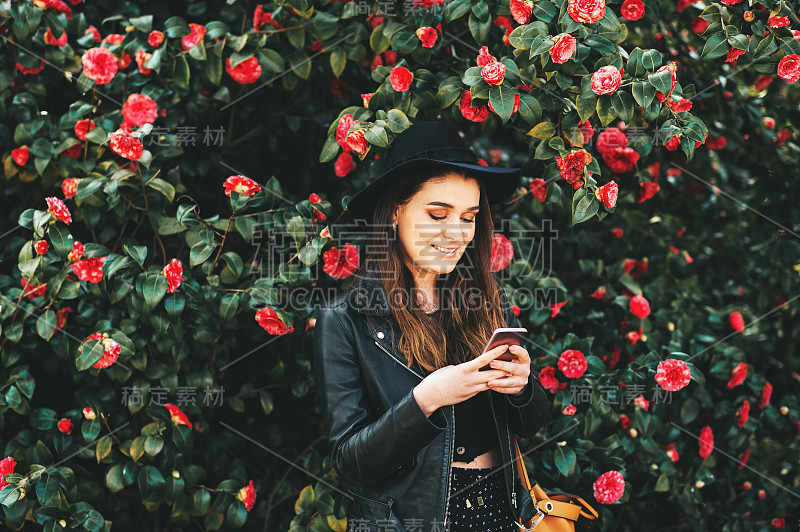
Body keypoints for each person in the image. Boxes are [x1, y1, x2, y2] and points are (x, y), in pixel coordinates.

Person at [312, 120, 550, 532]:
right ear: (395, 212)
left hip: (501, 511)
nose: (455, 234)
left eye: (469, 217)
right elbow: (351, 462)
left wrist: (523, 389)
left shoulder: (487, 301)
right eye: (438, 214)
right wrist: (425, 401)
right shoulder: (346, 319)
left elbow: (533, 423)